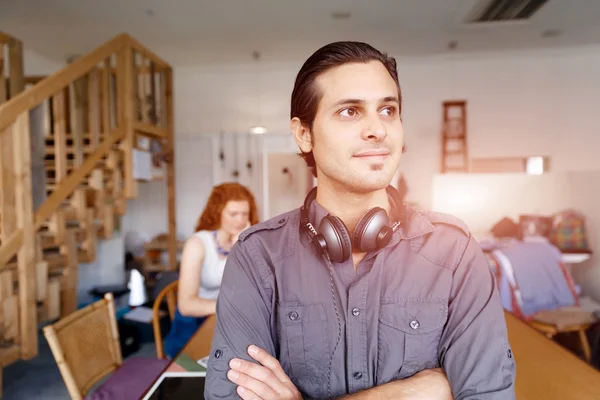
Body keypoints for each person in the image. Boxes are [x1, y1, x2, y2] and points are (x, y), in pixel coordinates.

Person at [205, 42, 516, 399]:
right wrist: (413, 392)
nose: (378, 129)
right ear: (304, 134)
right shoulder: (257, 255)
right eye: (350, 111)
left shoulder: (453, 251)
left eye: (388, 109)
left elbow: (489, 394)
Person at [162, 182, 258, 359]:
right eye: (233, 214)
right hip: (194, 324)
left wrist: (241, 246)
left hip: (223, 321)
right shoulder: (197, 244)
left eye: (245, 214)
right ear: (217, 212)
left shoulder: (242, 241)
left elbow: (250, 286)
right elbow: (185, 306)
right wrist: (231, 307)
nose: (240, 220)